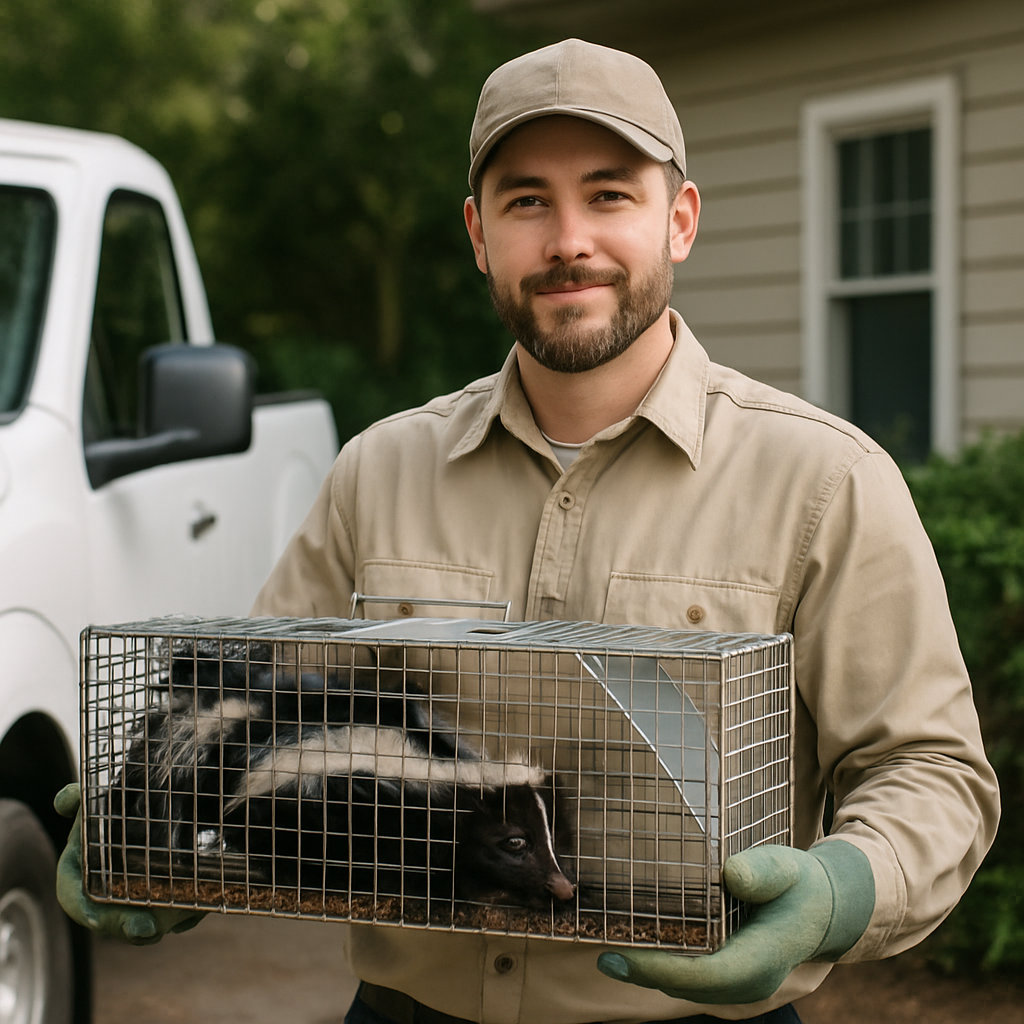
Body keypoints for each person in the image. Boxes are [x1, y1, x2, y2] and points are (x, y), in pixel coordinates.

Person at [57, 37, 999, 1024]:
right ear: (477, 233)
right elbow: (265, 712)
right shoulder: (381, 469)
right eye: (525, 201)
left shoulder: (825, 479)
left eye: (608, 195)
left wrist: (840, 888)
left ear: (678, 220)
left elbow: (929, 772)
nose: (566, 240)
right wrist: (155, 820)